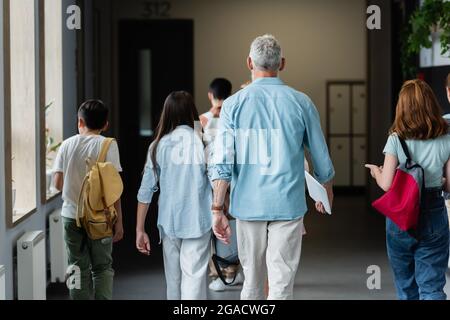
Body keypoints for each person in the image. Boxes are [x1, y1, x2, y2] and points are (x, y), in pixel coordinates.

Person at [210, 34, 335, 300]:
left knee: (252, 284)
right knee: (281, 285)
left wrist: (217, 208)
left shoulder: (233, 105)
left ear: (249, 63)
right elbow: (320, 155)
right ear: (283, 64)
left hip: (247, 204)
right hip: (288, 205)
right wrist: (325, 189)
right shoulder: (302, 102)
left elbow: (223, 160)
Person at [366, 79, 450, 300]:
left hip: (401, 217)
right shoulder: (446, 136)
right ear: (431, 104)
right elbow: (449, 184)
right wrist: (435, 180)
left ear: (401, 107)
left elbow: (386, 184)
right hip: (434, 212)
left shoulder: (396, 138)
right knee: (432, 287)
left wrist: (376, 172)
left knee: (406, 287)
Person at [135, 91, 212, 300]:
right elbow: (217, 181)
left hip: (169, 223)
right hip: (199, 220)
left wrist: (139, 229)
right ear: (191, 113)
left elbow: (146, 190)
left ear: (166, 114)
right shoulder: (203, 143)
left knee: (173, 282)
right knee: (194, 280)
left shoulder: (158, 145)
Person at [53, 100, 124, 300]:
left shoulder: (66, 145)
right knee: (102, 268)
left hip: (70, 216)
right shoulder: (108, 145)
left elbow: (57, 184)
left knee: (75, 267)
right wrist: (119, 222)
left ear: (80, 122)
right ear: (106, 124)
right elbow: (114, 189)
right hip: (100, 218)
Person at [199, 78, 245, 292]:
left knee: (217, 228)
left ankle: (220, 273)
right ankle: (239, 269)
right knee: (239, 225)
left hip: (213, 182)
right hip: (237, 180)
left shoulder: (202, 121)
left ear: (210, 94)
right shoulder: (238, 115)